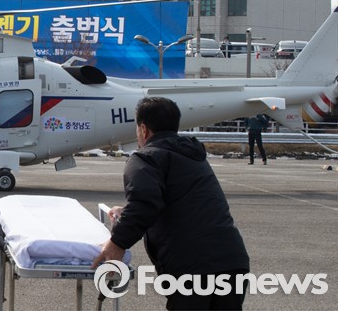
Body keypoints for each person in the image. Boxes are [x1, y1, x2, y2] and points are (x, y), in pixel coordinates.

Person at [92, 97, 249, 310]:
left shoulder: (145, 158)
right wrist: (127, 211)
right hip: (232, 260)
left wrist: (117, 243)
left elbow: (144, 205)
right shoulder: (192, 155)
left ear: (143, 129)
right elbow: (177, 200)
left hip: (192, 266)